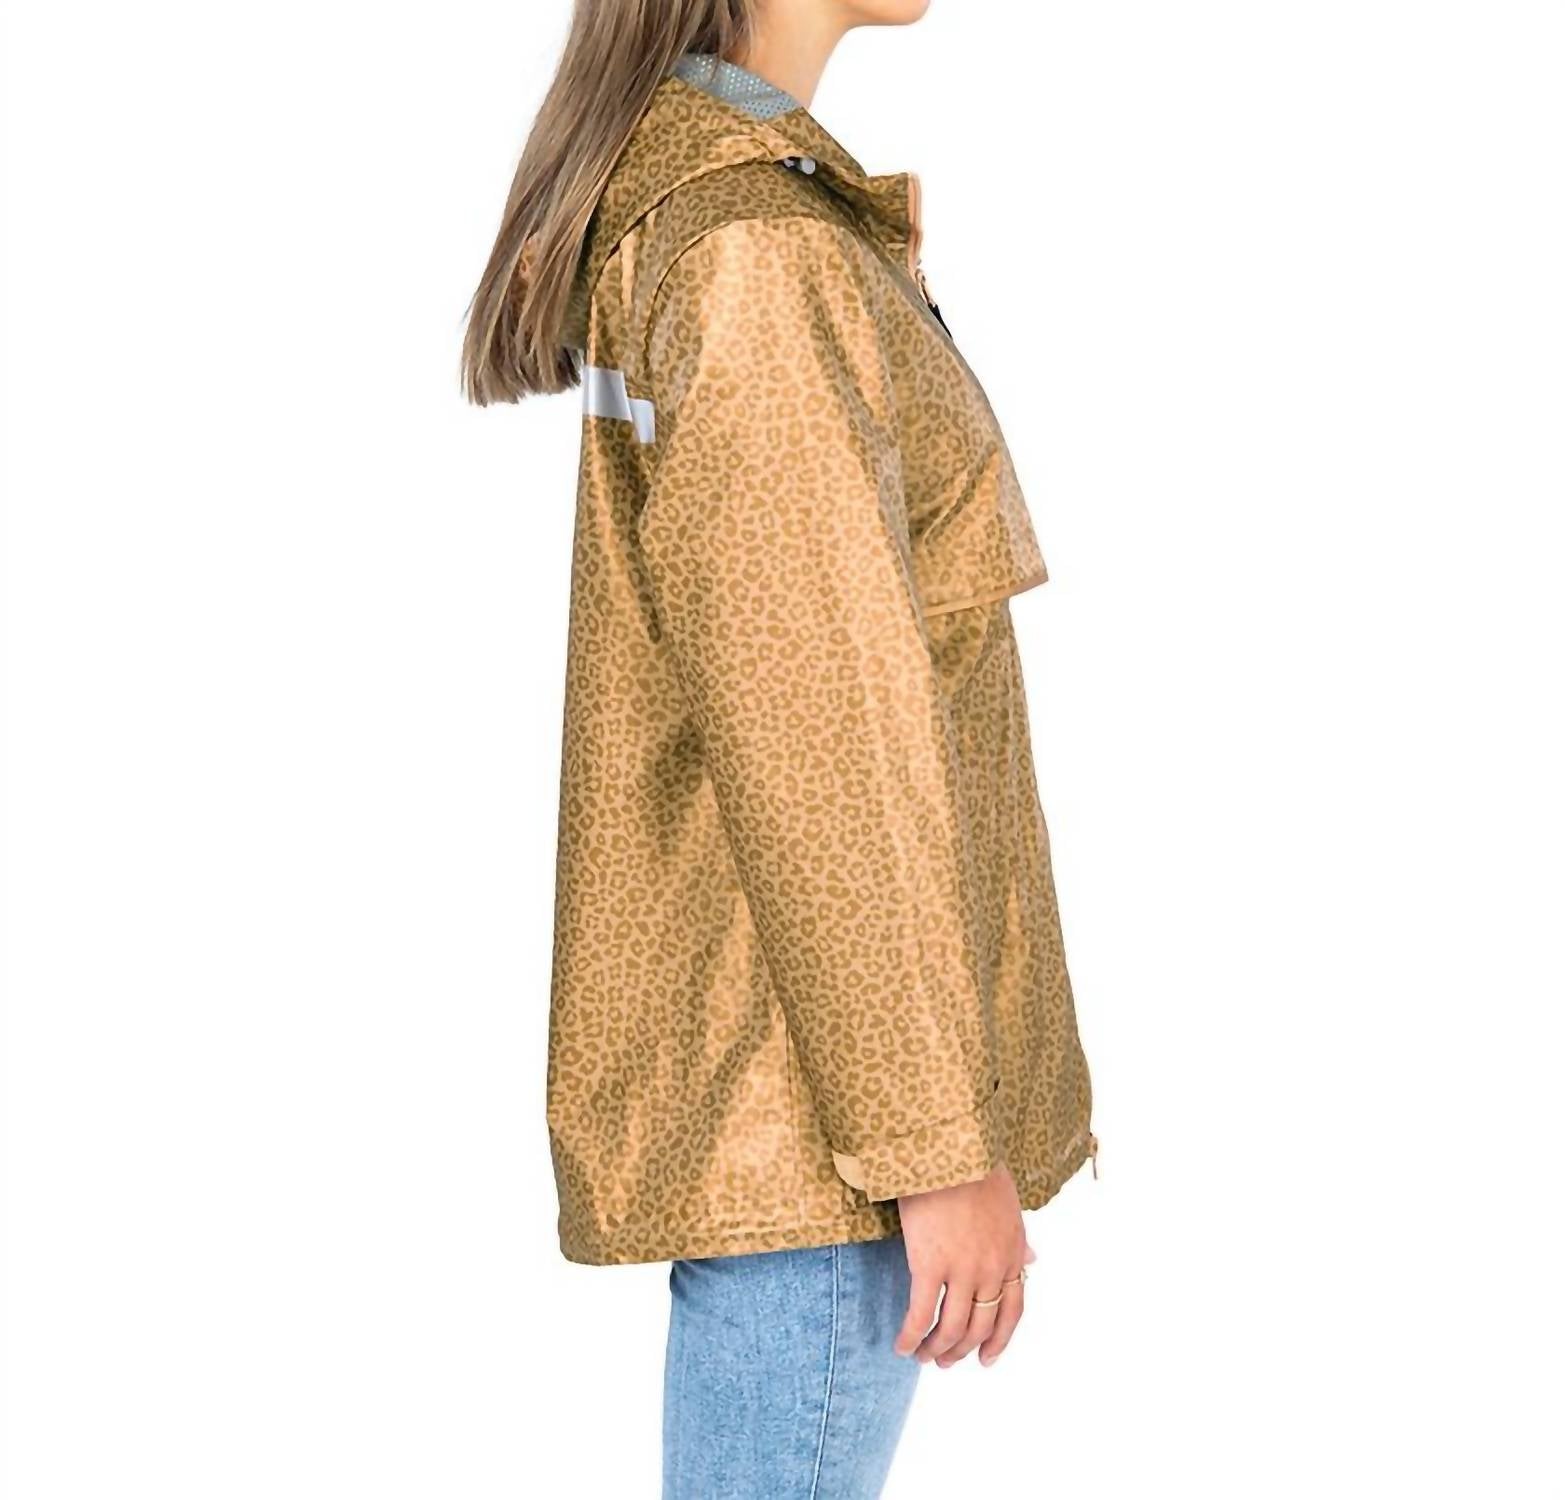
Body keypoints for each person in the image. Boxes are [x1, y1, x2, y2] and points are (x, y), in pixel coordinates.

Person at [463, 2, 1094, 1493]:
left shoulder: (733, 206)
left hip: (806, 1094)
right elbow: (818, 725)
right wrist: (934, 1143)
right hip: (823, 1135)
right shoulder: (751, 243)